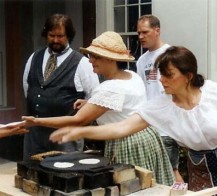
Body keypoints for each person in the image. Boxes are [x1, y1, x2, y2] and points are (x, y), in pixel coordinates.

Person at [50, 46, 217, 196]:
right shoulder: (161, 106)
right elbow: (121, 127)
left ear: (188, 76)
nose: (162, 81)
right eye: (161, 75)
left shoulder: (213, 93)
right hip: (200, 165)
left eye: (168, 75)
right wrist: (78, 130)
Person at [21, 31, 175, 185]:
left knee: (130, 186)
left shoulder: (109, 88)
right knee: (150, 186)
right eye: (90, 56)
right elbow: (123, 103)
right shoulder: (131, 75)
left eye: (96, 57)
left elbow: (78, 120)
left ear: (111, 60)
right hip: (146, 137)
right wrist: (90, 103)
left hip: (126, 142)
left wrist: (37, 121)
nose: (91, 61)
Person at [22, 14, 100, 160]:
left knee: (65, 176)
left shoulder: (82, 63)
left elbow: (95, 98)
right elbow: (28, 88)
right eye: (52, 35)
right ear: (46, 35)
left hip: (66, 138)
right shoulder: (34, 57)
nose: (56, 40)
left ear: (69, 36)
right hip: (34, 137)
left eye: (60, 36)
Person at [136, 14, 183, 182]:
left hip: (167, 126)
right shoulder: (141, 61)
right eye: (138, 33)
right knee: (154, 175)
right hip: (150, 126)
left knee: (171, 173)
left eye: (145, 32)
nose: (141, 37)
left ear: (157, 31)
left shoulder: (170, 55)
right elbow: (143, 92)